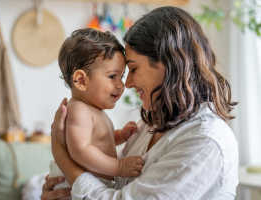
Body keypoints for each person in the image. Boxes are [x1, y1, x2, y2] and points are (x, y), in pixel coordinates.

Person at [41, 6, 239, 200]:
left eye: (132, 70)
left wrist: (61, 155)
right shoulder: (150, 124)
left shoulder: (205, 141)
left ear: (168, 64)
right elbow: (113, 182)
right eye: (113, 76)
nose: (126, 84)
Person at [48, 28, 145, 191]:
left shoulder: (93, 110)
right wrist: (119, 167)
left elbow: (98, 140)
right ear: (81, 80)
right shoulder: (79, 110)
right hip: (73, 187)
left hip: (88, 185)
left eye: (121, 76)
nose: (121, 84)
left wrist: (120, 135)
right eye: (112, 76)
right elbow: (81, 150)